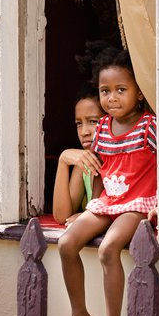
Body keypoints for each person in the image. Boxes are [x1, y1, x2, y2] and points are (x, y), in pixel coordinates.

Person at [53, 44, 157, 316]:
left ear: (139, 92)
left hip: (138, 203)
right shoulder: (100, 130)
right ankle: (80, 314)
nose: (112, 98)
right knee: (67, 243)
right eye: (105, 91)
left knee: (107, 249)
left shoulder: (149, 126)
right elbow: (99, 173)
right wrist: (89, 209)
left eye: (121, 90)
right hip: (109, 200)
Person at [52, 83, 104, 226]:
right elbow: (62, 216)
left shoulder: (122, 161)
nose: (84, 132)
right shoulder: (84, 164)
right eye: (79, 123)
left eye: (93, 121)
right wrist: (63, 160)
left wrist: (87, 215)